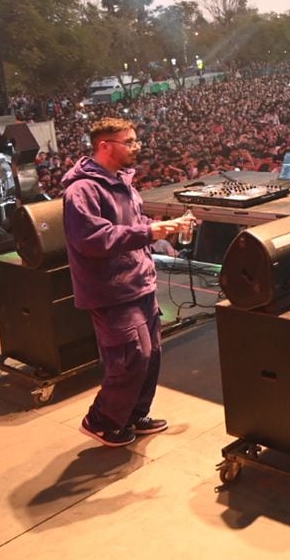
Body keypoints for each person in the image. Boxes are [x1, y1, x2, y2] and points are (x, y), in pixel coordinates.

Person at [62, 116, 196, 448]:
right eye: (130, 142)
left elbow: (133, 225)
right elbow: (92, 238)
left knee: (150, 355)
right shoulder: (82, 190)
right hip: (111, 290)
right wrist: (149, 231)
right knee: (130, 357)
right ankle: (102, 420)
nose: (137, 147)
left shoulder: (123, 182)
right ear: (105, 145)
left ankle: (132, 414)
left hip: (139, 281)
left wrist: (164, 229)